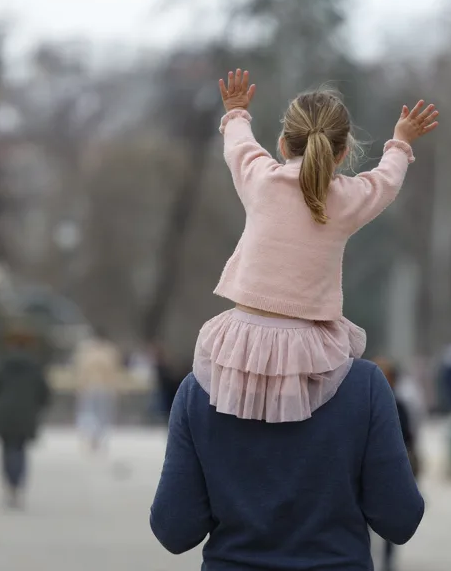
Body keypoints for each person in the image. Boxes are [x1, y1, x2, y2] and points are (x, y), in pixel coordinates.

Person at [150, 70, 434, 568]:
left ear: (283, 143)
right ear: (342, 154)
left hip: (242, 339)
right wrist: (400, 143)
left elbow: (174, 530)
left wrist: (236, 112)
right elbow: (399, 519)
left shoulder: (202, 390)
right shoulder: (363, 389)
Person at [0, 328, 52, 509]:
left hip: (3, 414)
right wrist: (39, 406)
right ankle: (17, 484)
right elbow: (44, 392)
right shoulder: (35, 367)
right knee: (20, 450)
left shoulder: (1, 365)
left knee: (6, 450)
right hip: (26, 414)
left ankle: (9, 484)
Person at [373, 358, 421, 571]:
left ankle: (388, 562)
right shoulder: (366, 399)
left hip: (387, 471)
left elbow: (409, 436)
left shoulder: (396, 404)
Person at [72, 328, 120, 452]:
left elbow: (113, 371)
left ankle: (97, 438)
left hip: (103, 388)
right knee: (89, 413)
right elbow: (81, 369)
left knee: (102, 414)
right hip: (90, 387)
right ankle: (91, 437)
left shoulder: (109, 351)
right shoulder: (87, 350)